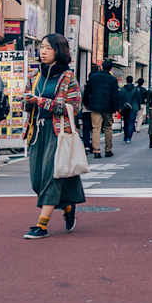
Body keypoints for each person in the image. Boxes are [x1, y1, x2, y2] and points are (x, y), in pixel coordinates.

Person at [23, 34, 86, 239]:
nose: (43, 51)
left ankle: (41, 225)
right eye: (42, 47)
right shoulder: (35, 76)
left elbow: (73, 108)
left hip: (57, 132)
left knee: (51, 175)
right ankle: (67, 205)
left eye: (48, 48)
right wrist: (27, 102)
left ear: (59, 51)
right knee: (37, 180)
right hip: (36, 132)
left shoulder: (67, 77)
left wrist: (41, 101)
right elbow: (27, 103)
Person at [82, 59, 120, 159]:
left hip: (95, 106)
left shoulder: (93, 77)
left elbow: (87, 91)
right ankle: (108, 150)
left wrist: (86, 103)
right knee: (108, 127)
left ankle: (96, 150)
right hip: (108, 107)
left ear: (102, 66)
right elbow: (115, 95)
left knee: (96, 128)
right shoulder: (113, 79)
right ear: (111, 68)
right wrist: (116, 107)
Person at [119, 75, 141, 145]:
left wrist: (120, 107)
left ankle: (126, 136)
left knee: (126, 122)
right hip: (133, 107)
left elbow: (120, 99)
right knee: (131, 122)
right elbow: (139, 99)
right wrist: (139, 107)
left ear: (126, 80)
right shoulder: (136, 89)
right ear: (132, 81)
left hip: (125, 107)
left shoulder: (122, 89)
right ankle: (129, 137)